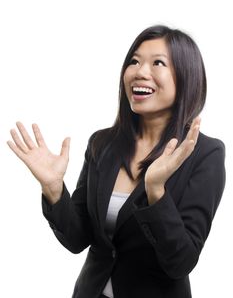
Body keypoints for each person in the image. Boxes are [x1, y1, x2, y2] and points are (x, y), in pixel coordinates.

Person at [7, 25, 225, 298]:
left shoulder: (205, 154)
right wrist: (53, 189)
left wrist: (156, 192)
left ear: (186, 77)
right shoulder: (103, 144)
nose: (140, 71)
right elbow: (78, 238)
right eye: (134, 61)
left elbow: (181, 262)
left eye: (158, 63)